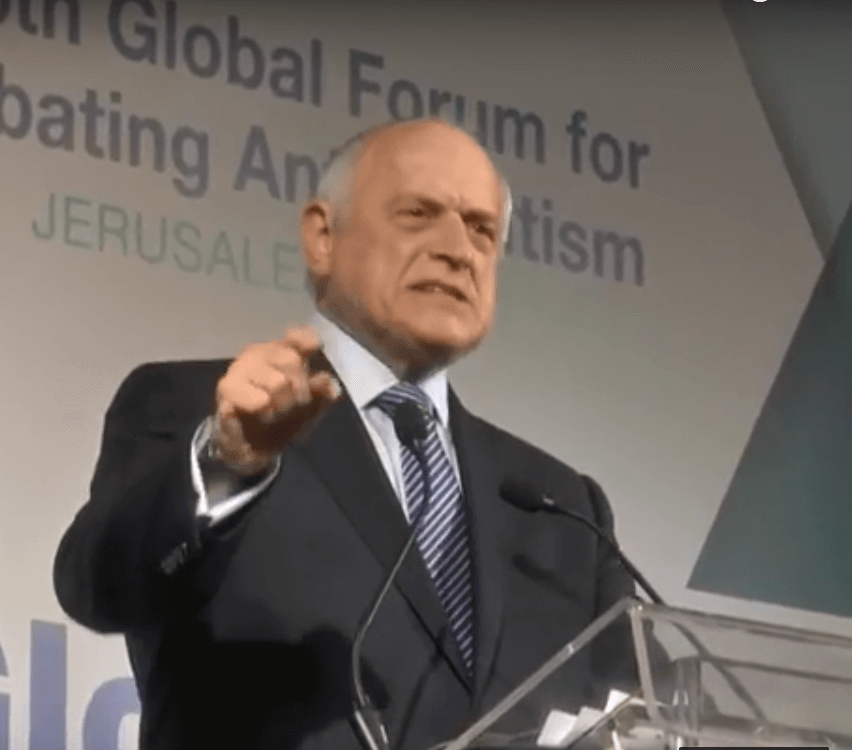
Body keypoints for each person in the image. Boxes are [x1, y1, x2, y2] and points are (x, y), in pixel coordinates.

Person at [52, 119, 637, 750]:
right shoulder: (195, 411)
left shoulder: (563, 508)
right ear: (322, 237)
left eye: (482, 229)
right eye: (419, 214)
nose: (458, 249)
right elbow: (97, 587)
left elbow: (648, 717)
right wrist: (230, 459)